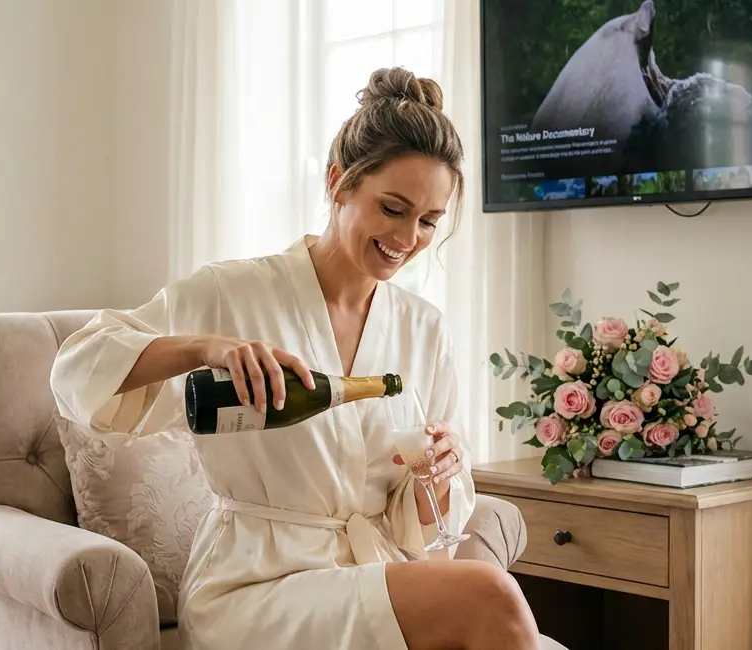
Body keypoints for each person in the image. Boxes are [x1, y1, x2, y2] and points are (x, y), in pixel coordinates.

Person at [50, 67, 564, 650]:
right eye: (392, 208)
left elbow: (421, 524)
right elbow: (76, 369)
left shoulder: (426, 330)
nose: (409, 238)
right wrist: (206, 347)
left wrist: (436, 478)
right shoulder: (232, 294)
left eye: (428, 222)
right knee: (490, 595)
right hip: (253, 586)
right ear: (339, 182)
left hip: (370, 572)